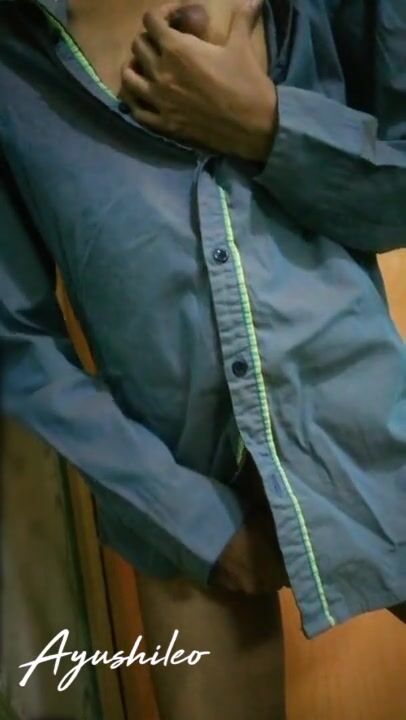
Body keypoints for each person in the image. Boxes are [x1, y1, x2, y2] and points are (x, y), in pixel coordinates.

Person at [0, 0, 405, 717]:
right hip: (177, 495)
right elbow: (16, 342)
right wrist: (190, 522)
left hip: (374, 438)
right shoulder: (14, 53)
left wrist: (266, 126)